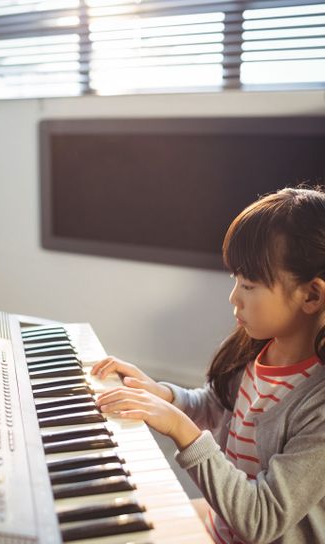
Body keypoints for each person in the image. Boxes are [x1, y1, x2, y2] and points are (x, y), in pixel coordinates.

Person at [91, 186, 325, 544]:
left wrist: (180, 430)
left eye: (248, 285)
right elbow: (218, 406)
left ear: (311, 295)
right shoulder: (259, 352)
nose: (234, 298)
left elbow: (260, 520)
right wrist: (164, 395)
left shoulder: (318, 406)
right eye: (236, 280)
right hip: (220, 529)